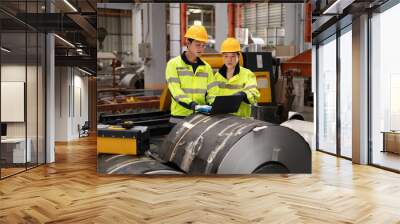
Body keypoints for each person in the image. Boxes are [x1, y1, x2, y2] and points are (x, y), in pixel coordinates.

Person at [165, 25, 218, 123]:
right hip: (179, 118)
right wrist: (193, 105)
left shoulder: (206, 68)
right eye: (198, 45)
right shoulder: (173, 64)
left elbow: (213, 92)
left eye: (203, 45)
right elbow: (176, 91)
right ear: (188, 43)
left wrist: (214, 105)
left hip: (200, 118)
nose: (201, 49)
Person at [213, 37, 260, 118]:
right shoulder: (217, 76)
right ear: (222, 57)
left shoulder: (247, 74)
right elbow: (212, 96)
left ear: (238, 56)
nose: (229, 59)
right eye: (226, 56)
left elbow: (254, 94)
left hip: (241, 119)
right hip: (221, 119)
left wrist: (243, 94)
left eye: (233, 56)